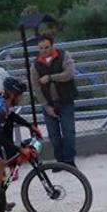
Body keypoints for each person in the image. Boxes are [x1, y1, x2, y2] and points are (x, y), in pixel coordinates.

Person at [31, 34, 78, 167]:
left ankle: (69, 160)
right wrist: (46, 106)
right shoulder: (35, 64)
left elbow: (69, 74)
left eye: (46, 47)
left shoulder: (64, 55)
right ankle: (60, 161)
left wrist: (51, 77)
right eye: (41, 48)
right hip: (49, 104)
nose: (44, 50)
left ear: (52, 45)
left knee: (69, 132)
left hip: (65, 100)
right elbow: (36, 87)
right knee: (54, 136)